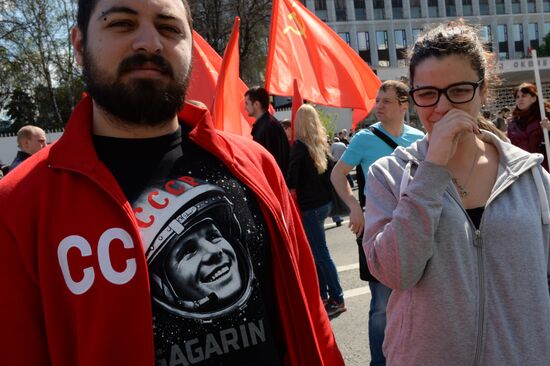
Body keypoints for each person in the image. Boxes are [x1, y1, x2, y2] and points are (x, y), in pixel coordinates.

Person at [0, 1, 345, 365]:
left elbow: (311, 319)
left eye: (169, 28)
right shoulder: (19, 204)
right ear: (79, 44)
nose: (149, 42)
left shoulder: (256, 166)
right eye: (121, 23)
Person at [364, 21, 550, 366]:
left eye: (459, 90)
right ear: (414, 97)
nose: (442, 107)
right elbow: (394, 273)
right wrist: (432, 169)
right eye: (428, 93)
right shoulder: (388, 175)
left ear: (483, 91)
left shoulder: (531, 175)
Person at [330, 80, 424, 366]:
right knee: (381, 305)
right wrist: (355, 208)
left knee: (418, 298)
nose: (378, 106)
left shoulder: (419, 137)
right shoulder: (363, 138)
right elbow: (338, 175)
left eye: (386, 101)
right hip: (378, 225)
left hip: (414, 224)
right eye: (377, 100)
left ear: (403, 105)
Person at [287, 104, 346, 317]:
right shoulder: (320, 144)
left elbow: (291, 180)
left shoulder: (299, 147)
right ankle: (324, 295)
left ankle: (337, 297)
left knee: (319, 254)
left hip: (310, 207)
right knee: (317, 253)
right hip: (323, 204)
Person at [245, 86, 290, 173]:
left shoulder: (270, 126)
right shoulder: (265, 125)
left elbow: (273, 161)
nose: (245, 108)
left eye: (247, 103)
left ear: (256, 104)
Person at [507, 82, 550, 171]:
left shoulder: (545, 116)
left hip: (545, 167)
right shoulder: (512, 123)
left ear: (533, 98)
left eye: (524, 96)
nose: (520, 99)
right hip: (524, 169)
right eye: (517, 97)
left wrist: (549, 128)